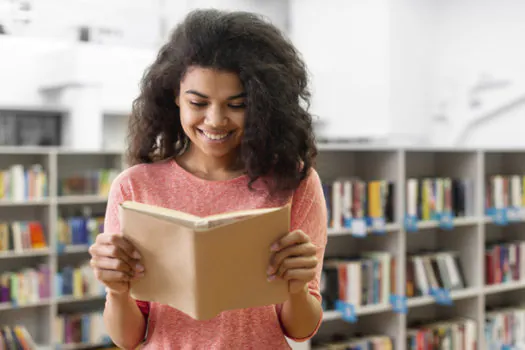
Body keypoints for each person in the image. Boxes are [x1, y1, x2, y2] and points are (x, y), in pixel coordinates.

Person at [88, 8, 327, 350]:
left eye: (237, 105)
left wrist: (298, 287)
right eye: (198, 102)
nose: (215, 120)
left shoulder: (295, 182)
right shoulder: (134, 187)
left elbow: (300, 330)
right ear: (175, 97)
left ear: (263, 105)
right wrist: (116, 288)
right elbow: (128, 339)